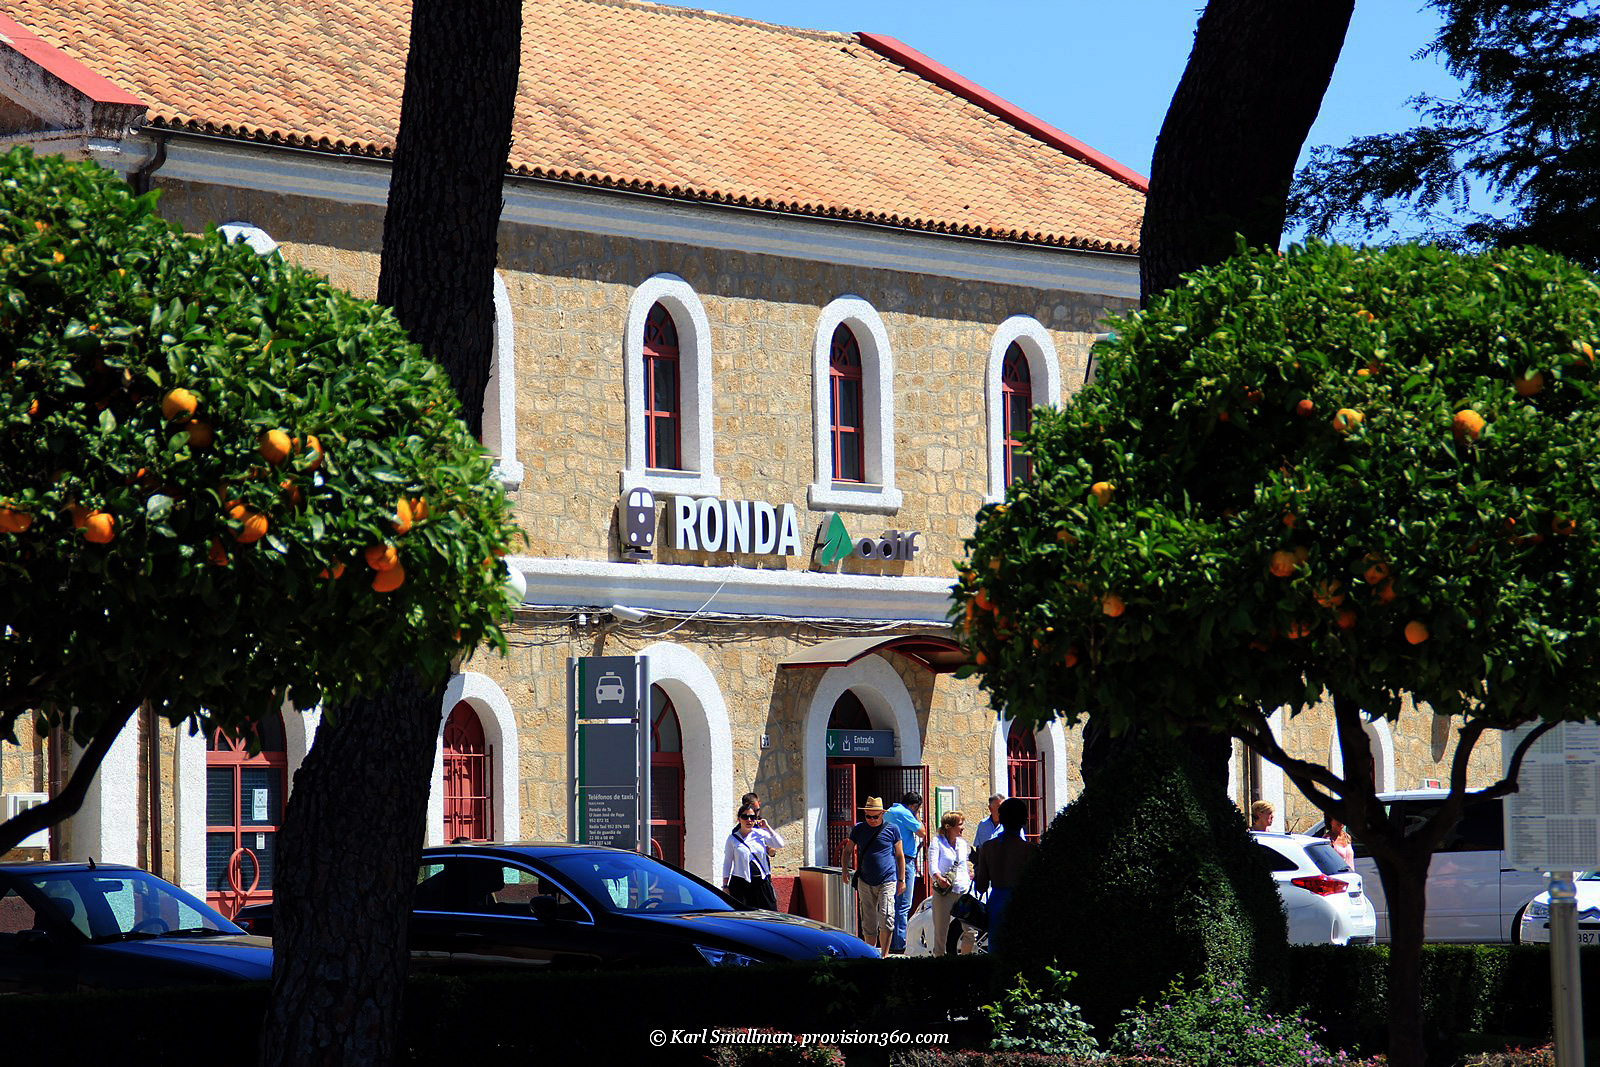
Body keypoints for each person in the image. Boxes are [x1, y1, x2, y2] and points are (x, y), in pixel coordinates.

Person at [839, 796, 904, 957]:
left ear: (882, 814)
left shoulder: (893, 829)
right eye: (868, 816)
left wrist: (901, 880)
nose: (872, 820)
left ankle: (884, 955)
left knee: (887, 918)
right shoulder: (859, 829)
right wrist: (845, 870)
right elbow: (847, 850)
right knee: (868, 921)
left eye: (875, 816)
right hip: (865, 880)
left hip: (887, 879)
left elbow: (899, 856)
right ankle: (871, 955)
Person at [973, 797, 1034, 954]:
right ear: (1024, 820)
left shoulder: (988, 848)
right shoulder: (1030, 850)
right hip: (1022, 903)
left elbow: (980, 887)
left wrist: (979, 866)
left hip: (997, 902)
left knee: (997, 953)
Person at [927, 810, 977, 956]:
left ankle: (963, 963)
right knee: (941, 933)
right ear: (949, 826)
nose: (963, 827)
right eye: (960, 824)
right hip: (945, 892)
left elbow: (965, 864)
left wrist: (970, 874)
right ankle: (940, 964)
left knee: (970, 931)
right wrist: (938, 878)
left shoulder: (963, 844)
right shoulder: (937, 842)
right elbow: (932, 865)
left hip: (963, 891)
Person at [883, 792, 926, 954]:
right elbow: (922, 832)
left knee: (891, 903)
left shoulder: (890, 811)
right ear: (914, 806)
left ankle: (890, 942)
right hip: (904, 860)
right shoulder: (905, 813)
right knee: (903, 904)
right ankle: (900, 944)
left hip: (889, 859)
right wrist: (918, 816)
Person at [722, 804, 777, 910]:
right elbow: (727, 862)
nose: (749, 820)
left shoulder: (760, 835)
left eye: (752, 817)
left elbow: (779, 844)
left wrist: (767, 827)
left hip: (761, 883)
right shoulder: (732, 839)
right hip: (740, 884)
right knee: (742, 918)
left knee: (770, 917)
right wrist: (725, 885)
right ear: (739, 819)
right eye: (745, 817)